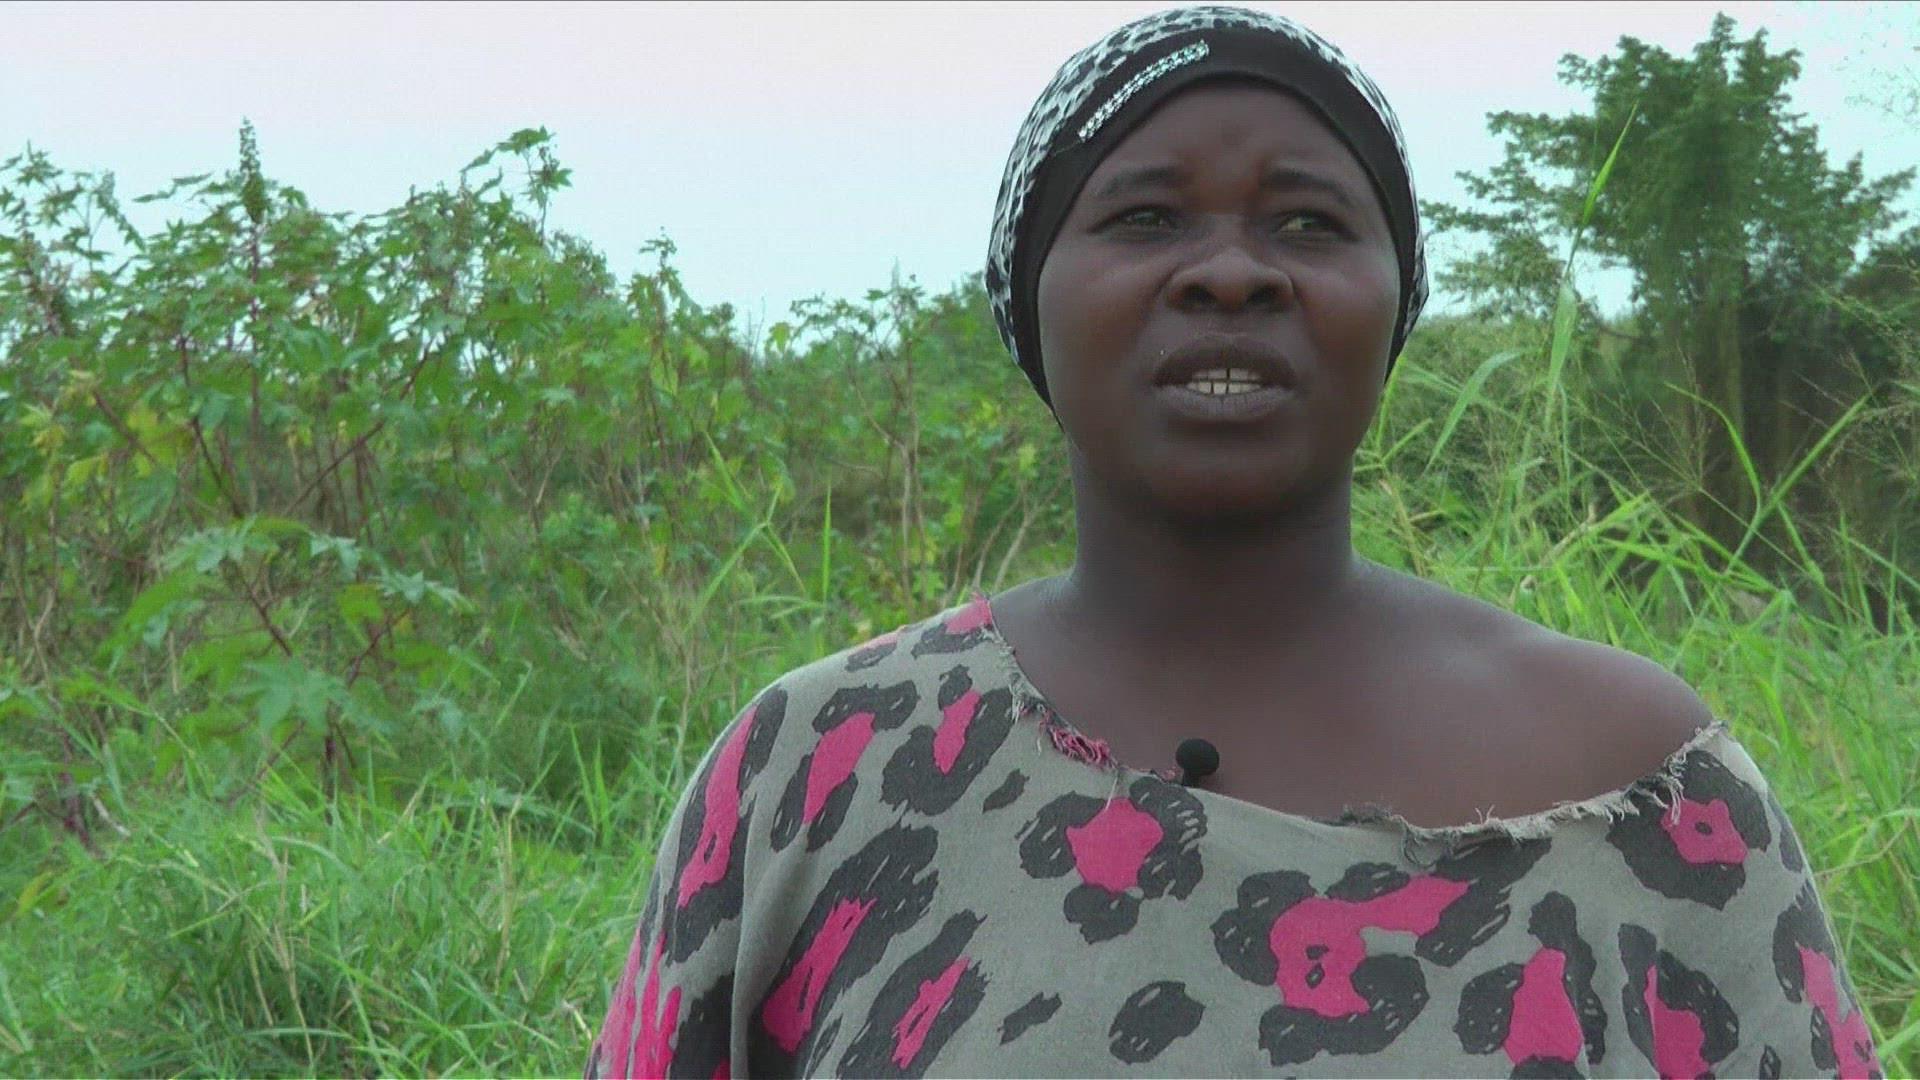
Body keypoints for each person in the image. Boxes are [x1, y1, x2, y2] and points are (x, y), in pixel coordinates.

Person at [586, 7, 1882, 1077]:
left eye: (1308, 223)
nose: (1230, 273)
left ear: (1395, 302)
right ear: (1031, 298)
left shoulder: (1639, 778)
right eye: (1145, 218)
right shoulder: (825, 765)